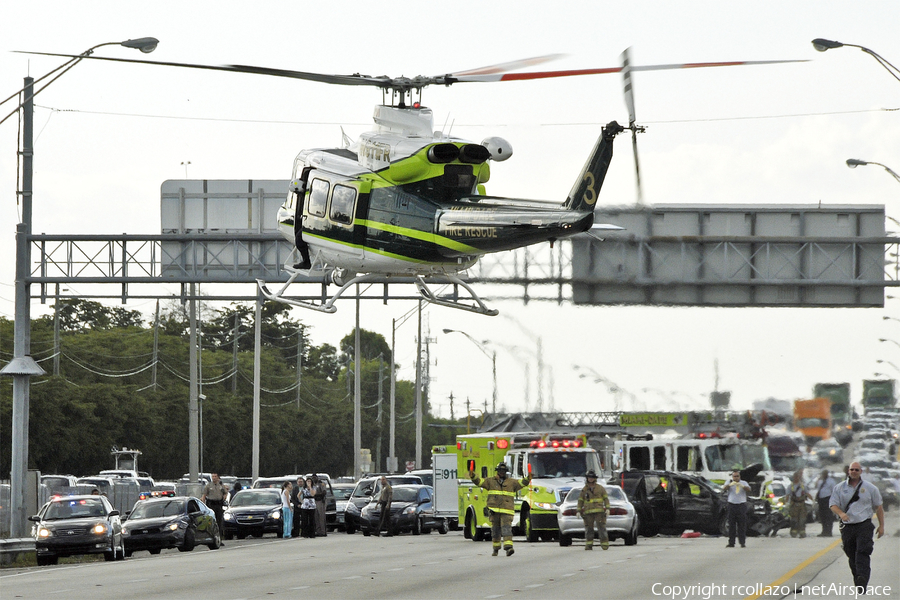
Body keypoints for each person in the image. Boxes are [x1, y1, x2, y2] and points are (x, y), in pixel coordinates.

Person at [829, 461, 885, 594]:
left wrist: (881, 526)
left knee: (863, 551)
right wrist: (841, 514)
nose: (854, 472)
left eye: (856, 470)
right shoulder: (839, 488)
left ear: (861, 472)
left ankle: (863, 578)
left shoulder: (870, 488)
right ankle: (858, 579)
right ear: (848, 471)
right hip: (848, 527)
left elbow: (879, 507)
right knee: (851, 554)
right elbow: (833, 504)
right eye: (852, 470)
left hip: (864, 524)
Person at [469, 462, 531, 557]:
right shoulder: (490, 481)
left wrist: (528, 478)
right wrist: (473, 476)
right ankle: (496, 549)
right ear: (497, 471)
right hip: (494, 511)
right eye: (500, 470)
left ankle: (508, 548)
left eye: (503, 471)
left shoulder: (512, 482)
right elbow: (479, 482)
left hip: (507, 511)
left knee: (506, 529)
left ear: (506, 472)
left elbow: (522, 483)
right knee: (495, 530)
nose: (502, 472)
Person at [577, 470, 610, 551]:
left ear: (595, 478)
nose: (590, 479)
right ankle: (589, 545)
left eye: (592, 477)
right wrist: (578, 510)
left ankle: (604, 544)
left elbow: (606, 498)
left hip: (599, 512)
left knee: (601, 528)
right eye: (589, 477)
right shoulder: (584, 490)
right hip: (588, 512)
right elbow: (580, 500)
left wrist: (608, 508)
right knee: (589, 529)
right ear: (587, 478)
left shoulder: (600, 488)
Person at [722, 469, 751, 548]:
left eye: (737, 476)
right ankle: (731, 542)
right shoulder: (729, 482)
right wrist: (731, 484)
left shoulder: (743, 483)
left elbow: (748, 489)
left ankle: (742, 542)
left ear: (739, 476)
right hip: (732, 505)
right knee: (731, 525)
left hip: (741, 505)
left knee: (742, 525)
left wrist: (742, 486)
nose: (736, 478)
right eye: (734, 476)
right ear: (732, 477)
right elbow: (724, 488)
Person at [201, 473, 229, 540]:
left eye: (215, 476)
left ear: (218, 477)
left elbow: (225, 492)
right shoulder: (208, 485)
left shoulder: (221, 485)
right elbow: (204, 495)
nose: (214, 478)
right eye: (213, 476)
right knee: (211, 521)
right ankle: (210, 537)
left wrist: (224, 497)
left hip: (218, 505)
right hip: (211, 505)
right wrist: (203, 503)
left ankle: (219, 538)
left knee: (219, 521)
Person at [786, 469, 813, 538]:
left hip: (802, 505)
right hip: (794, 505)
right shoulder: (790, 486)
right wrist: (786, 503)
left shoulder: (803, 486)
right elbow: (787, 495)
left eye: (797, 477)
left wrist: (813, 501)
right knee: (794, 519)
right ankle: (794, 532)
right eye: (795, 477)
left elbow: (807, 494)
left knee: (802, 519)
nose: (796, 478)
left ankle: (802, 532)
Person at [814, 469, 837, 537]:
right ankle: (824, 531)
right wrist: (818, 479)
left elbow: (834, 491)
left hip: (828, 500)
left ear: (827, 474)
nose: (823, 475)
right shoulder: (820, 481)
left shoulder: (831, 481)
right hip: (821, 500)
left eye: (824, 473)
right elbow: (816, 487)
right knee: (822, 516)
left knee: (828, 516)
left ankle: (829, 531)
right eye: (822, 474)